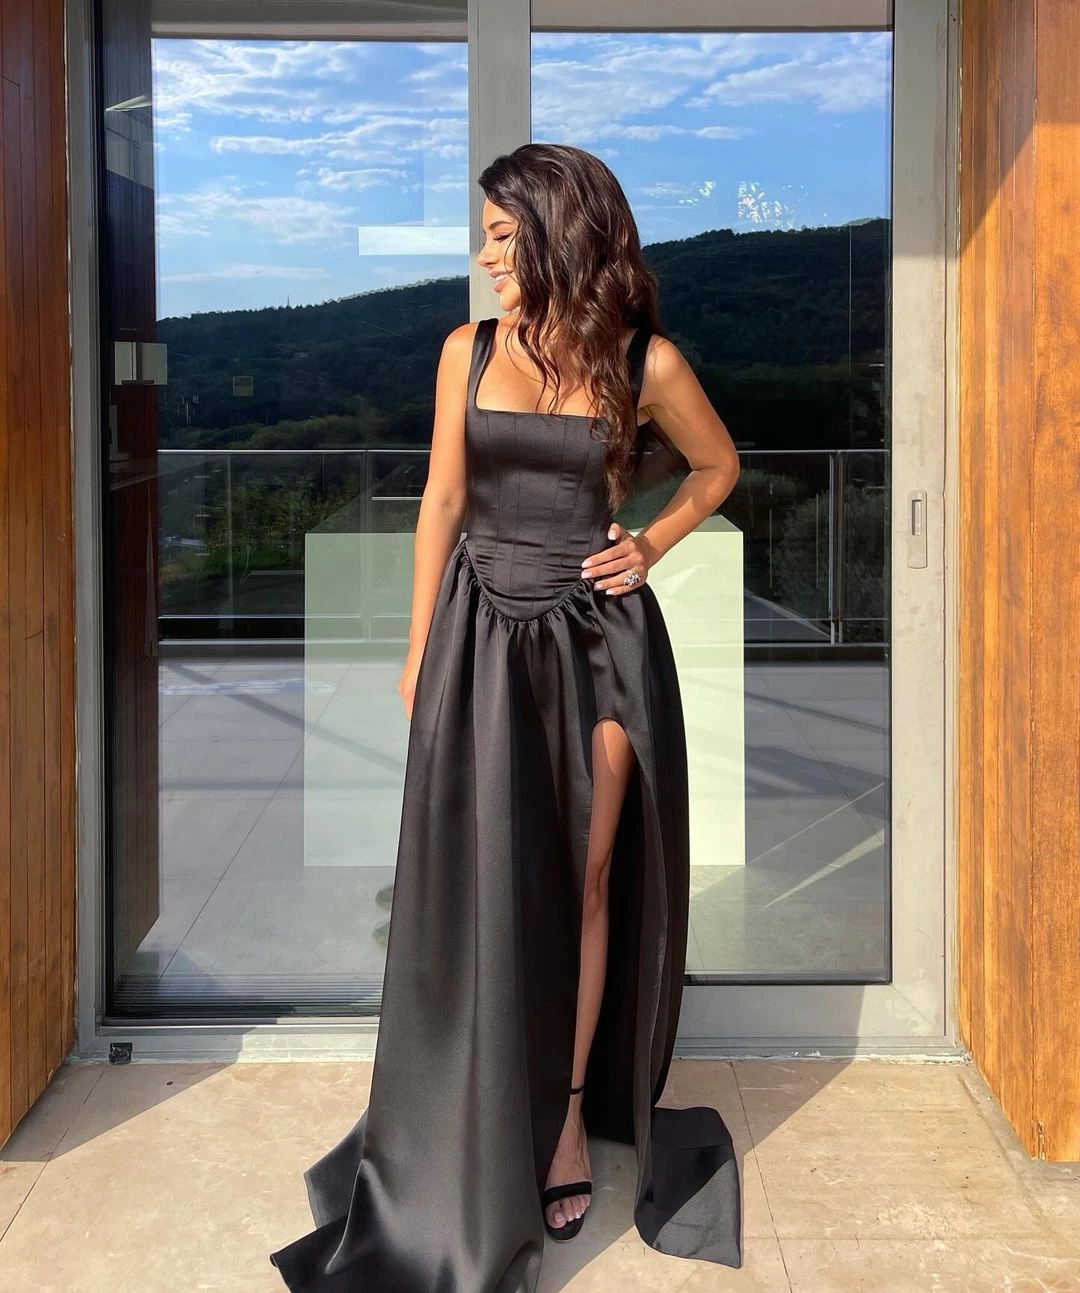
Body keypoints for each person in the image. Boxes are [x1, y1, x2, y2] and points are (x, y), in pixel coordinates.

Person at [269, 142, 743, 1292]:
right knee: (485, 878)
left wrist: (649, 545)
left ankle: (567, 1117)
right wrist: (416, 645)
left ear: (555, 230)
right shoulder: (467, 351)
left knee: (584, 879)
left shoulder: (645, 360)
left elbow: (717, 467)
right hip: (481, 635)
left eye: (499, 233)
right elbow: (442, 499)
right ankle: (465, 1106)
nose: (484, 255)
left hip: (599, 643)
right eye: (482, 235)